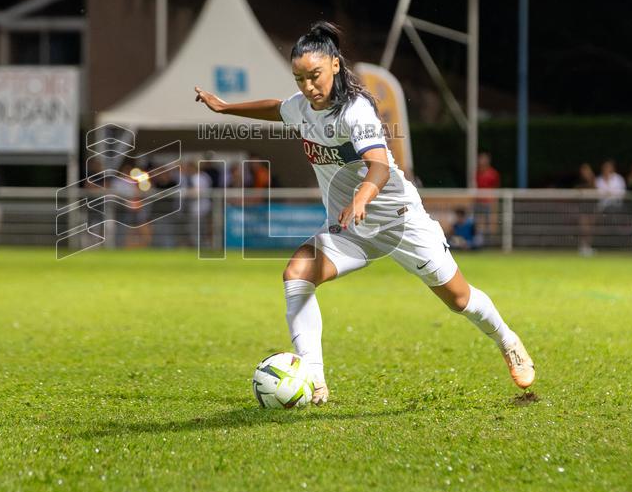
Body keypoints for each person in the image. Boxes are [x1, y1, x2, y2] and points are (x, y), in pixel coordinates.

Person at [194, 22, 534, 406]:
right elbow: (276, 108)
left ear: (335, 65)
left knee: (458, 299)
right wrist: (224, 106)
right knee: (296, 273)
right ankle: (314, 379)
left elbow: (379, 166)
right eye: (300, 78)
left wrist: (362, 197)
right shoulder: (301, 107)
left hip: (398, 220)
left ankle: (507, 340)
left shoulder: (355, 110)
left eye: (315, 76)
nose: (308, 86)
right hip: (348, 229)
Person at [474, 152, 500, 240]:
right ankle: (478, 239)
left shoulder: (493, 173)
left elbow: (496, 187)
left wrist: (494, 201)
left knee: (489, 223)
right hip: (478, 201)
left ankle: (489, 241)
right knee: (477, 222)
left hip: (488, 202)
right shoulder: (477, 173)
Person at [574, 162, 597, 256]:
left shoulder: (593, 181)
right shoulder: (579, 182)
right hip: (582, 209)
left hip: (591, 208)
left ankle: (588, 247)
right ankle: (582, 247)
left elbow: (596, 193)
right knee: (584, 229)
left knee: (590, 229)